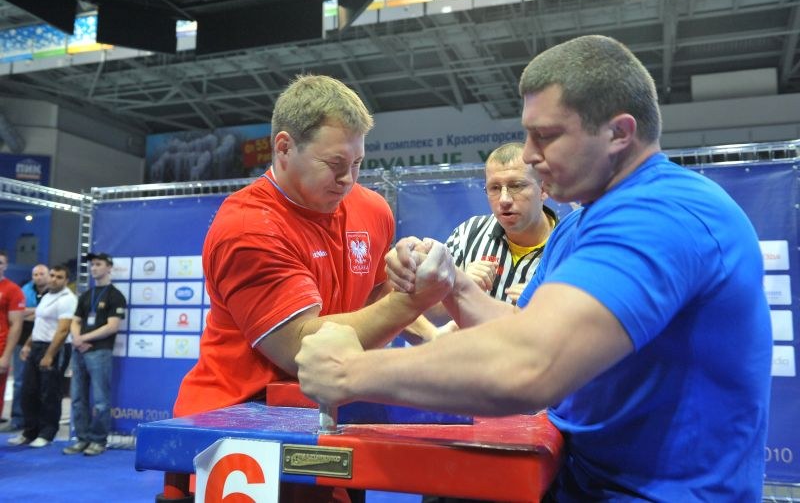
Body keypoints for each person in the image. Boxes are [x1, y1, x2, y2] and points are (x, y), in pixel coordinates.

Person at [295, 35, 772, 501]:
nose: (527, 154)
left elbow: (530, 364)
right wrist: (453, 285)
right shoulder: (580, 223)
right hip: (581, 478)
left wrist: (349, 372)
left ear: (619, 134)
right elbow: (522, 326)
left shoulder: (664, 214)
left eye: (545, 136)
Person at [173, 74, 449, 503]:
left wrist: (409, 286)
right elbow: (302, 347)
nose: (348, 179)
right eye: (335, 164)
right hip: (238, 428)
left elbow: (374, 299)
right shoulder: (247, 227)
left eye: (358, 164)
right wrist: (412, 300)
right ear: (284, 148)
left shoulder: (372, 209)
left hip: (330, 415)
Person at [444, 142, 556, 304]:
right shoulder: (467, 234)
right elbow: (427, 308)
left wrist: (548, 306)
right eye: (495, 188)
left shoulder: (570, 245)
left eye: (516, 186)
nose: (504, 200)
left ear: (544, 189)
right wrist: (460, 288)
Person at [62, 253, 126, 457]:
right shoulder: (86, 295)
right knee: (77, 398)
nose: (94, 268)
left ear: (109, 267)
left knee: (100, 400)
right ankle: (81, 438)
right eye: (92, 265)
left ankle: (98, 440)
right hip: (79, 352)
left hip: (100, 352)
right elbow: (75, 320)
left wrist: (83, 338)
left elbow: (112, 326)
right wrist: (77, 338)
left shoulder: (115, 295)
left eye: (98, 264)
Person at [7, 265, 77, 447]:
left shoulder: (68, 299)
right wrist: (28, 344)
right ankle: (30, 432)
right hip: (37, 345)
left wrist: (49, 355)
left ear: (66, 280)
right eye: (52, 275)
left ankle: (47, 433)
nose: (54, 279)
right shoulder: (47, 296)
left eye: (59, 277)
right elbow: (40, 323)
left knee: (49, 393)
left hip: (55, 347)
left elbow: (63, 330)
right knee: (28, 391)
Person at [0, 264, 50, 432]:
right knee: (19, 381)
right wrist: (38, 311)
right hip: (22, 342)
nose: (38, 277)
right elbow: (19, 314)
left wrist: (34, 313)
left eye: (42, 274)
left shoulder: (54, 292)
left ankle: (41, 421)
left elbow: (48, 315)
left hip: (46, 342)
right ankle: (17, 418)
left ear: (48, 275)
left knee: (44, 383)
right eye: (35, 274)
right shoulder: (25, 290)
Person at [0, 251, 26, 421]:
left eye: (0, 262)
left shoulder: (13, 290)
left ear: (6, 266)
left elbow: (16, 325)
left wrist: (6, 356)